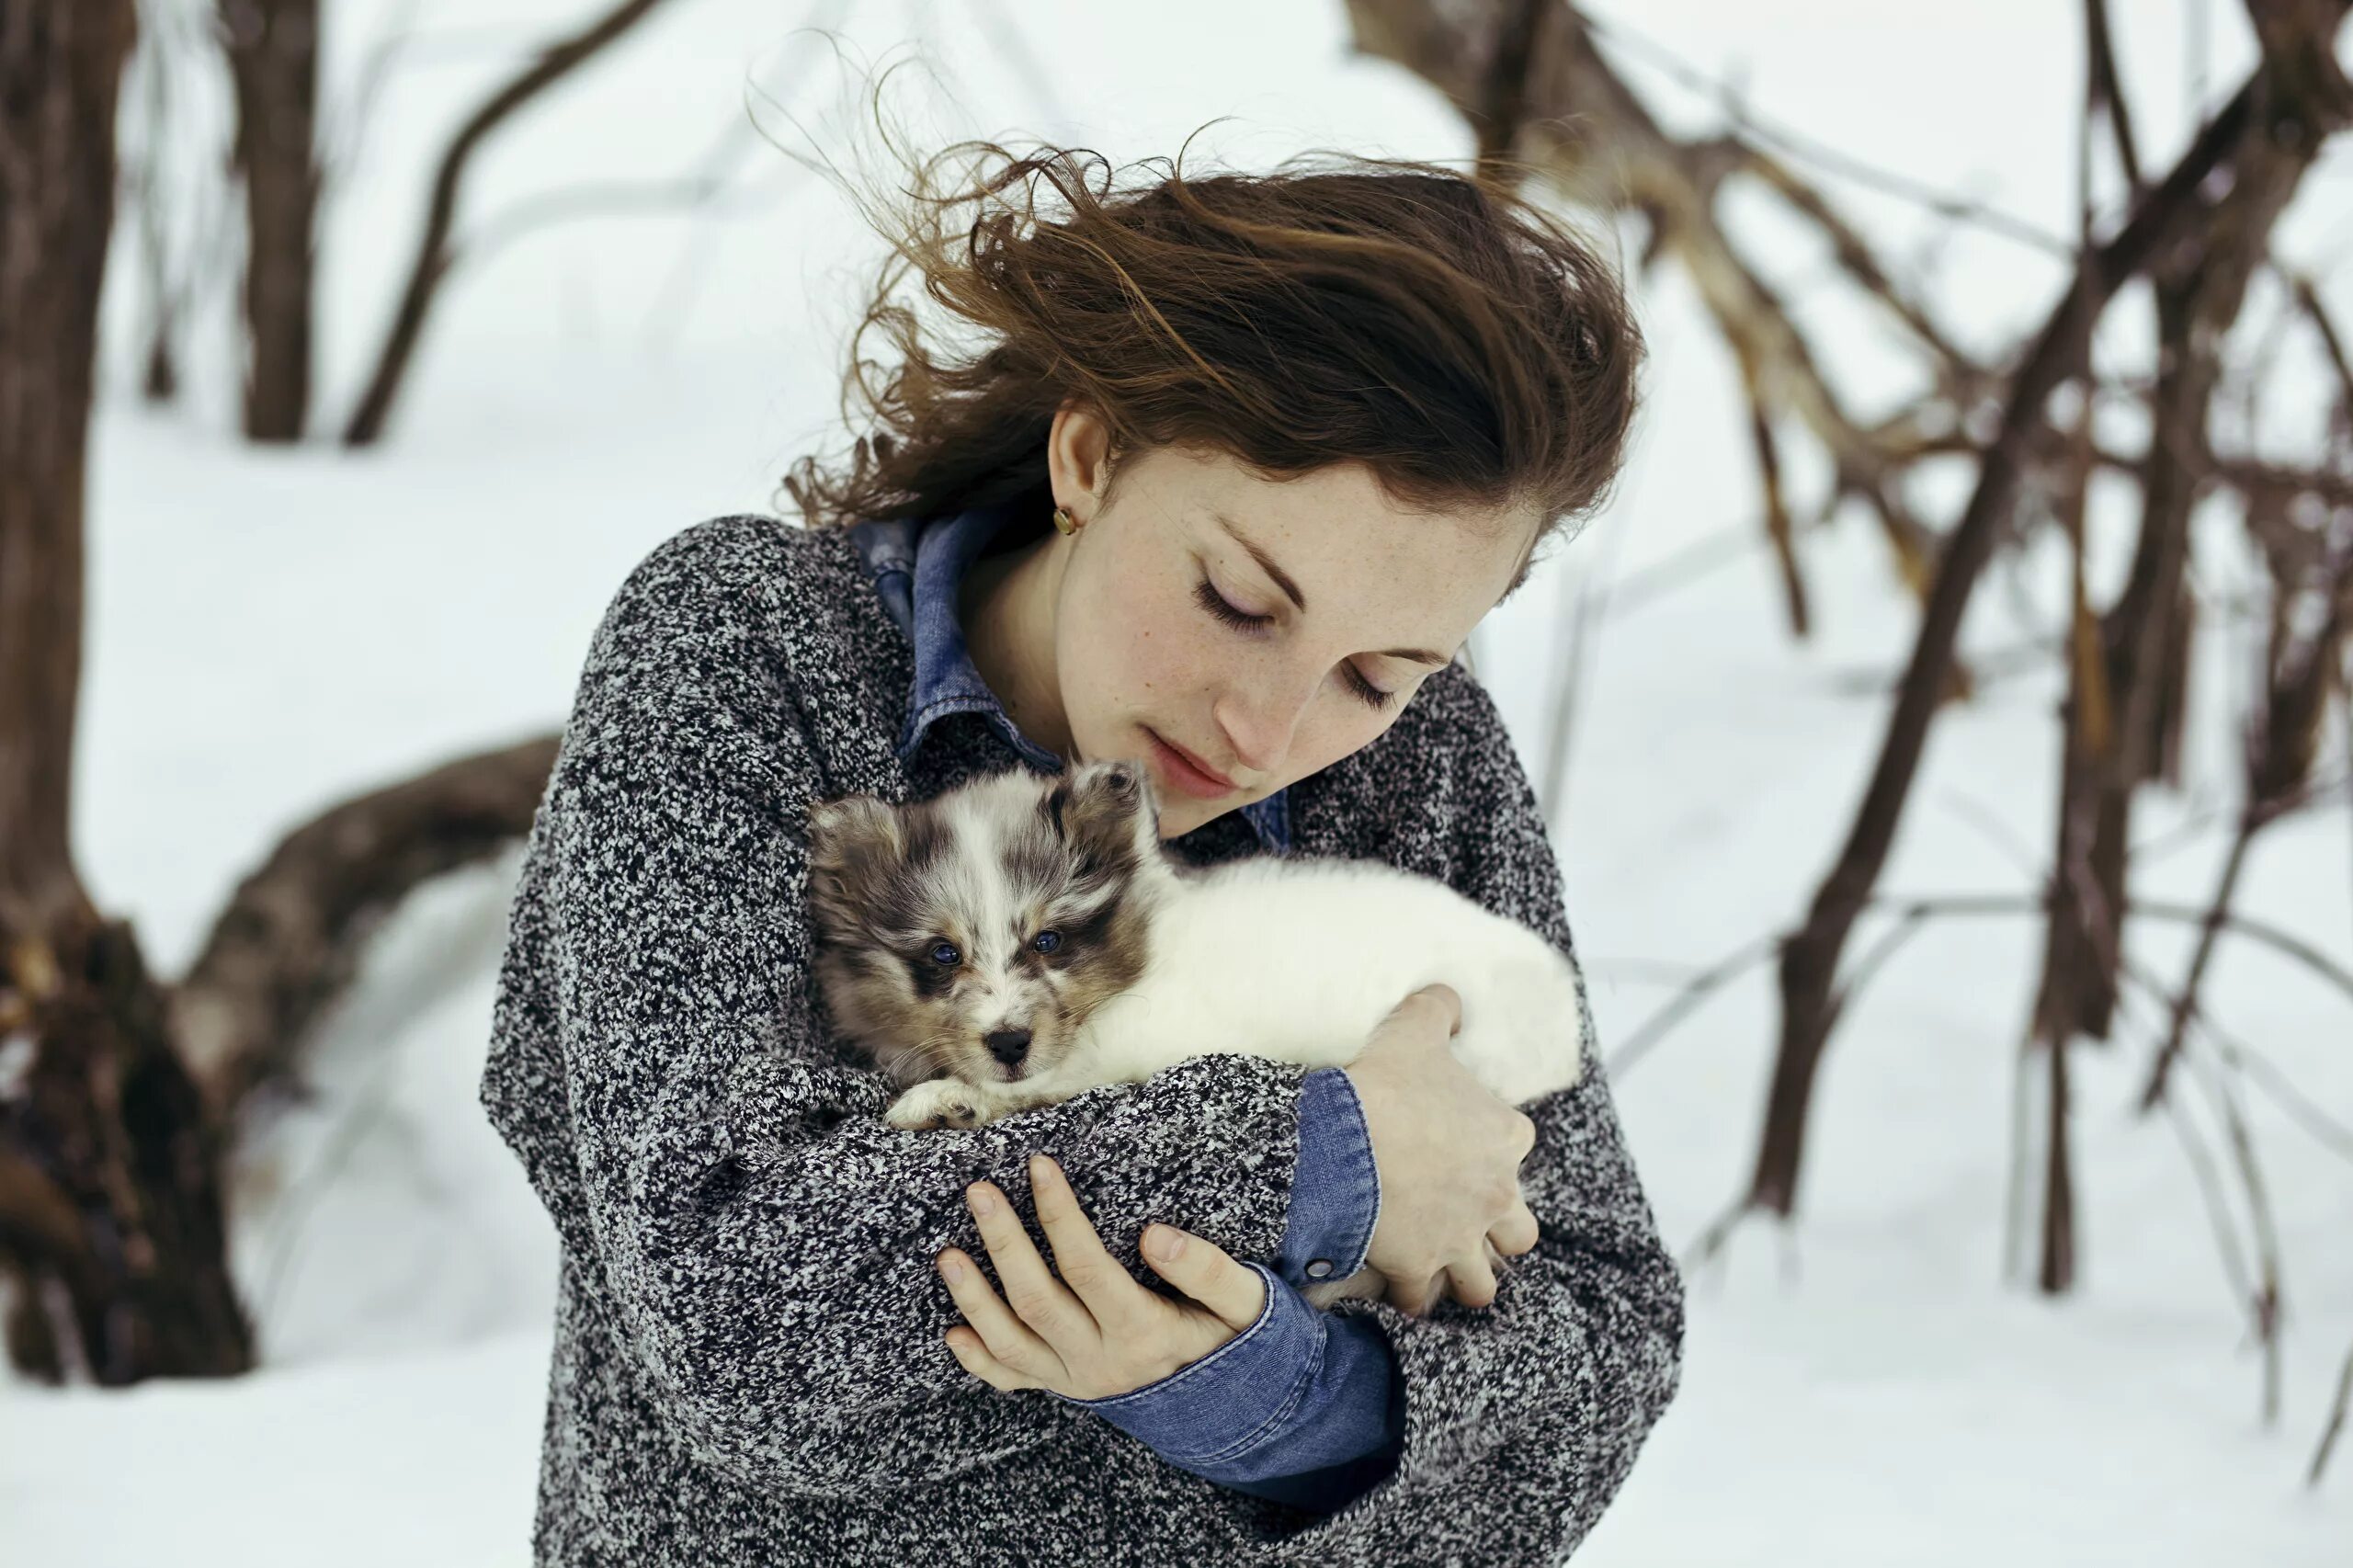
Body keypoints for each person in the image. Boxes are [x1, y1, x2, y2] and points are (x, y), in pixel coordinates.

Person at [481, 134, 1684, 1564]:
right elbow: (736, 1307)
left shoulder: (1423, 770)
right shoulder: (745, 653)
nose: (1266, 727)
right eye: (1239, 600)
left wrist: (1245, 1385)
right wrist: (1329, 1160)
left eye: (1377, 672)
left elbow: (1598, 1357)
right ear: (1091, 452)